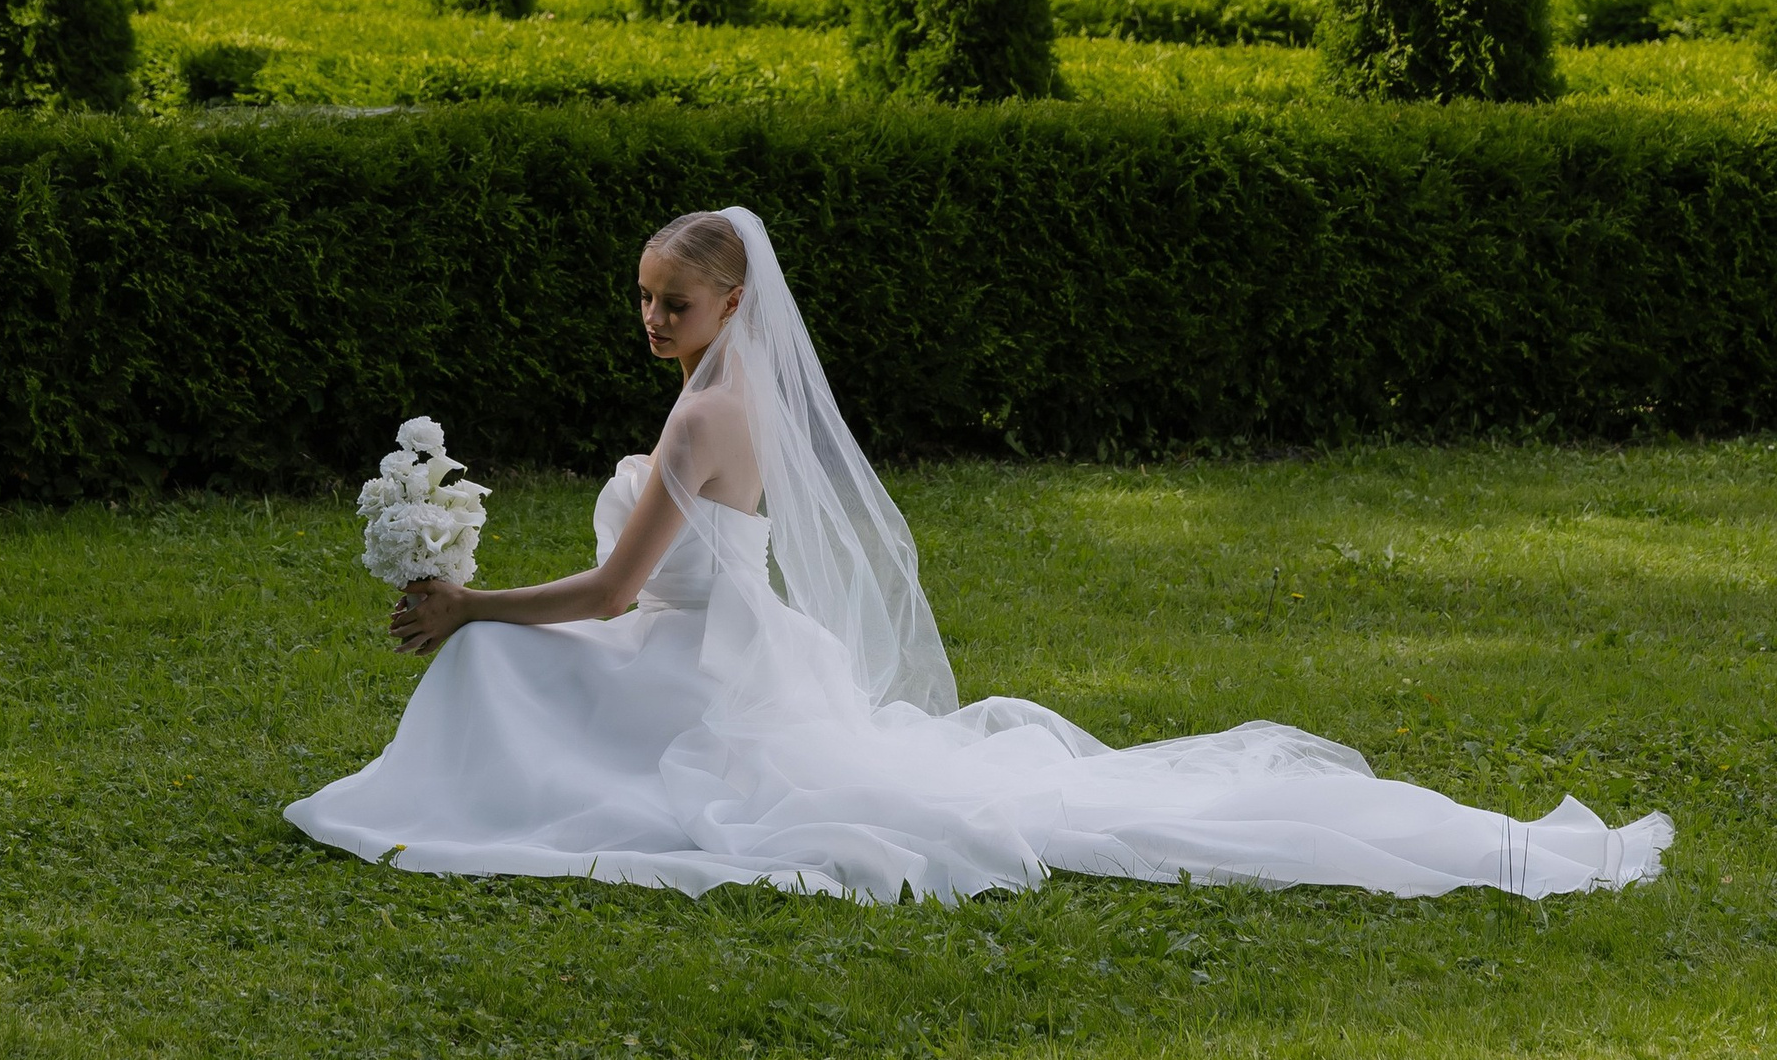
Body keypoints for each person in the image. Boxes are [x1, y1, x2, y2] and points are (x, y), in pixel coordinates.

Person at [284, 205, 1671, 906]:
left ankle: (453, 804)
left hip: (697, 665)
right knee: (524, 667)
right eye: (643, 301)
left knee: (505, 673)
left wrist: (468, 608)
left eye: (674, 301)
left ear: (732, 299)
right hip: (735, 646)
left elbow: (612, 592)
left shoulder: (705, 413)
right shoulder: (733, 393)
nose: (651, 319)